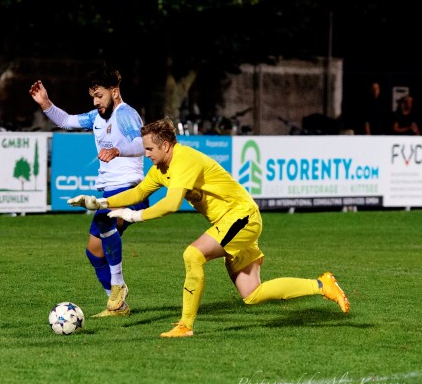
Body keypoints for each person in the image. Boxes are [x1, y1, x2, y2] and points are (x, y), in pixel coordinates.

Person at [68, 118, 351, 338]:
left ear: (166, 145)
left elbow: (170, 204)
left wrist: (133, 217)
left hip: (241, 217)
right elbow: (139, 193)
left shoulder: (184, 160)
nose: (147, 154)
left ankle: (185, 326)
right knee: (252, 294)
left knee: (193, 255)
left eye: (150, 149)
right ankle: (322, 285)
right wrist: (99, 202)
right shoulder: (161, 168)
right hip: (233, 223)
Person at [29, 64, 147, 318]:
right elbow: (67, 121)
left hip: (130, 188)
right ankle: (117, 305)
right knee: (94, 252)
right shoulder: (97, 117)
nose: (95, 102)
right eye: (92, 96)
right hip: (109, 191)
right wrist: (46, 103)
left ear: (114, 92)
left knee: (105, 223)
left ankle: (118, 286)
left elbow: (141, 143)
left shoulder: (125, 114)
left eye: (99, 96)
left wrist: (118, 150)